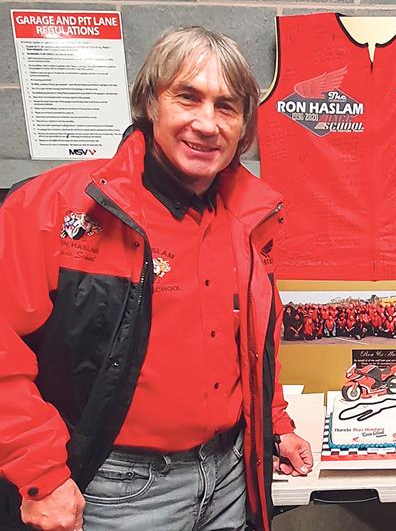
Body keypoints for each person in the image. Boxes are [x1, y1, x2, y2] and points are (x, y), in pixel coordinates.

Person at [0, 27, 314, 531]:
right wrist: (40, 473)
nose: (206, 123)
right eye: (188, 98)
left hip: (229, 478)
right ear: (150, 103)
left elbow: (250, 345)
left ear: (244, 129)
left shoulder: (249, 219)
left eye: (227, 107)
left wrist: (272, 426)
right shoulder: (56, 208)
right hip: (114, 492)